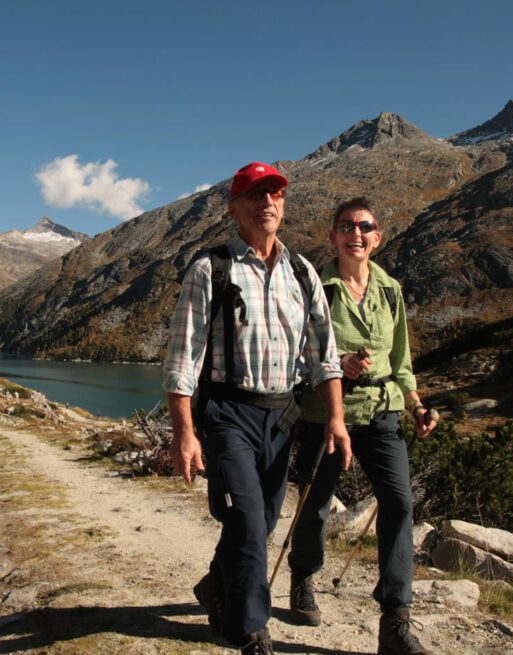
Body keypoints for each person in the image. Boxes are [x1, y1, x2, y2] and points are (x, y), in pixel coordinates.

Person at [164, 162, 352, 655]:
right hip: (229, 414)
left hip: (282, 414)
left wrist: (335, 417)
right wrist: (184, 432)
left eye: (274, 193)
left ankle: (215, 586)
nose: (266, 201)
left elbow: (322, 355)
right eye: (254, 194)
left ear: (283, 205)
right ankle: (250, 628)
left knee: (262, 523)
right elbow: (183, 360)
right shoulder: (211, 269)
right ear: (234, 208)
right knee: (248, 521)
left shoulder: (301, 271)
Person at [287, 197, 437, 655]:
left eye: (364, 226)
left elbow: (401, 359)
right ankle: (303, 578)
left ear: (378, 236)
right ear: (332, 235)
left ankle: (395, 618)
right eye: (345, 226)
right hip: (325, 411)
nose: (356, 233)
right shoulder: (314, 284)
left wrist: (415, 405)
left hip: (381, 412)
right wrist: (336, 364)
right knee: (315, 505)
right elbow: (293, 349)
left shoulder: (390, 289)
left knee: (399, 503)